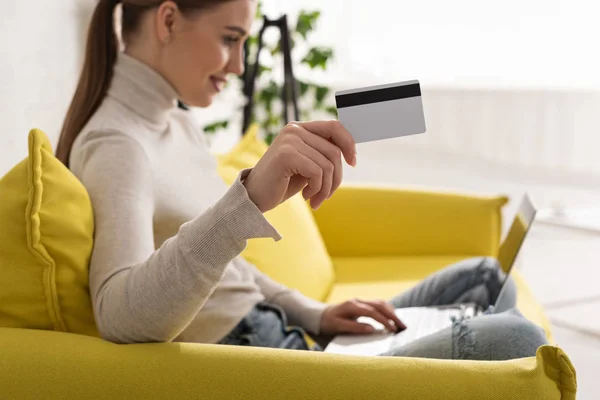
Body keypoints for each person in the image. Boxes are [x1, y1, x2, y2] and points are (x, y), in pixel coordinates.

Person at [55, 0, 547, 359]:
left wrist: (314, 312)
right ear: (167, 20)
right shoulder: (118, 144)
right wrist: (245, 200)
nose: (238, 65)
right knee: (520, 340)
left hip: (288, 331)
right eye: (230, 39)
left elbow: (227, 274)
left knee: (483, 275)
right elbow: (119, 317)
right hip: (265, 356)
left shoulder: (176, 122)